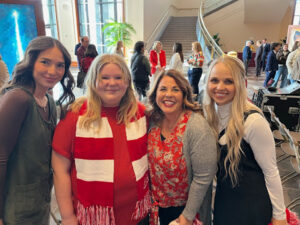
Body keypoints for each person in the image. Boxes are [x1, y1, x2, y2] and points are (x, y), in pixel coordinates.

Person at [52, 54, 151, 225]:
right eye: (104, 77)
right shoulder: (75, 116)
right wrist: (67, 216)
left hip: (136, 213)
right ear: (93, 81)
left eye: (118, 77)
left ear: (127, 82)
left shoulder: (140, 113)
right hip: (92, 217)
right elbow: (60, 170)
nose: (111, 83)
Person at [203, 55, 287, 225]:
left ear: (240, 84)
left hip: (251, 209)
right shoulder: (210, 116)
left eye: (228, 81)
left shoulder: (253, 121)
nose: (220, 87)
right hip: (224, 204)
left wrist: (280, 216)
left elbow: (271, 172)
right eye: (214, 80)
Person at [0, 36, 75, 225]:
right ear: (30, 61)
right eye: (45, 62)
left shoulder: (48, 99)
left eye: (59, 65)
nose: (53, 71)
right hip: (14, 207)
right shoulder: (18, 98)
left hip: (40, 202)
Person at [147, 69, 217, 225]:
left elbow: (203, 177)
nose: (168, 94)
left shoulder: (196, 126)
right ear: (155, 94)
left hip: (187, 212)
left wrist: (187, 216)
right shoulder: (152, 121)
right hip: (157, 209)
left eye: (175, 89)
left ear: (184, 94)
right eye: (163, 89)